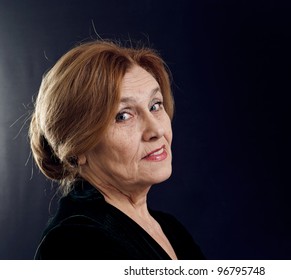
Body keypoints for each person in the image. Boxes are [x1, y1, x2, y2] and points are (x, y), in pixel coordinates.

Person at [29, 40, 205, 260]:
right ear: (77, 146)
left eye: (155, 105)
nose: (156, 129)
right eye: (123, 116)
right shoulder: (73, 244)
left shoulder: (170, 229)